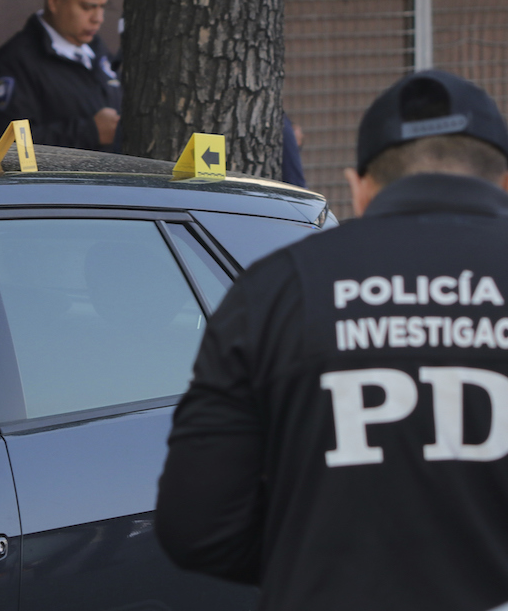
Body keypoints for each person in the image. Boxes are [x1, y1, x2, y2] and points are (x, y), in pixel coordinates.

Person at [155, 69, 508, 611]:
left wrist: (312, 564)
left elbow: (196, 525)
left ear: (359, 188)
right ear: (503, 182)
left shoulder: (274, 289)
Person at [0, 0, 121, 151]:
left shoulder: (97, 50)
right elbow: (13, 147)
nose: (98, 18)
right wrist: (90, 132)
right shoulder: (13, 64)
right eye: (87, 7)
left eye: (102, 7)